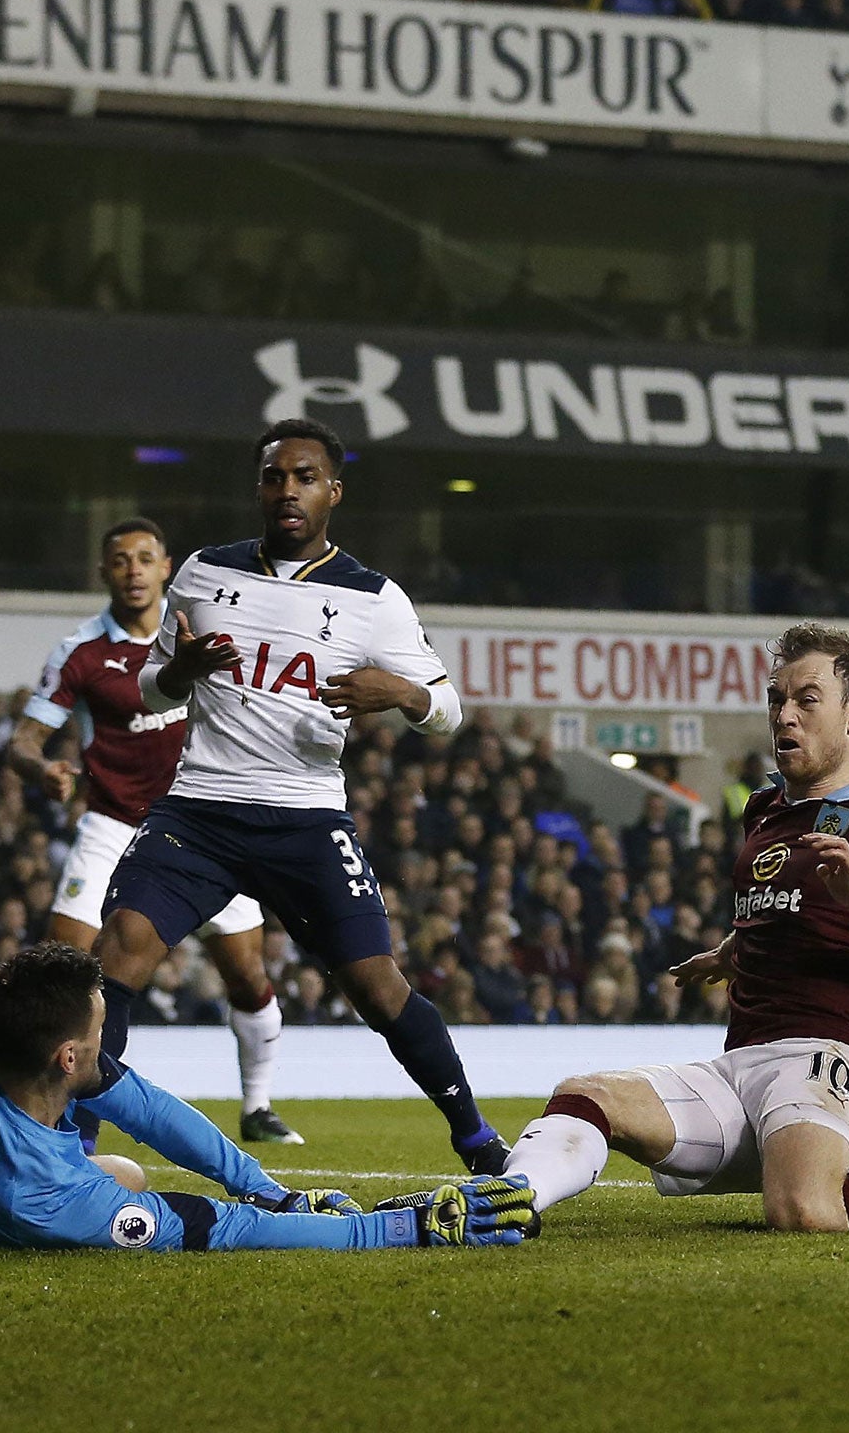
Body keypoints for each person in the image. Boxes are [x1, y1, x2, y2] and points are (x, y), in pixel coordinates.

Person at [502, 623, 849, 1233]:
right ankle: (508, 1202)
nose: (785, 716)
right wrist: (732, 951)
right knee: (586, 1094)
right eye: (776, 700)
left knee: (803, 1212)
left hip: (829, 1058)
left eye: (807, 700)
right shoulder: (765, 809)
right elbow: (793, 909)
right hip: (740, 1067)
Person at [97, 417, 510, 1175]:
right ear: (259, 488)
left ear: (334, 492)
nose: (288, 490)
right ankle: (69, 1149)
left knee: (379, 989)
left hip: (306, 817)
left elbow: (449, 712)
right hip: (200, 811)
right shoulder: (201, 572)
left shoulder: (374, 599)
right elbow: (152, 686)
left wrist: (401, 692)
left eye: (305, 477)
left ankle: (476, 1137)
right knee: (115, 957)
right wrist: (182, 670)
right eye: (275, 477)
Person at [0, 941, 534, 1251]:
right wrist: (396, 1226)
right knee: (123, 1173)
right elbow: (217, 1228)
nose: (108, 1046)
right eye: (98, 1036)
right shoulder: (53, 1202)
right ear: (66, 1056)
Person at [10, 518, 300, 1148]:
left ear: (167, 566)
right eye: (120, 560)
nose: (134, 570)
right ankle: (52, 1117)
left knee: (248, 975)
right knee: (66, 974)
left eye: (145, 558)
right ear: (106, 572)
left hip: (202, 826)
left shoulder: (204, 631)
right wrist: (42, 768)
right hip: (112, 825)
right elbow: (24, 741)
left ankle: (258, 1105)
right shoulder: (81, 651)